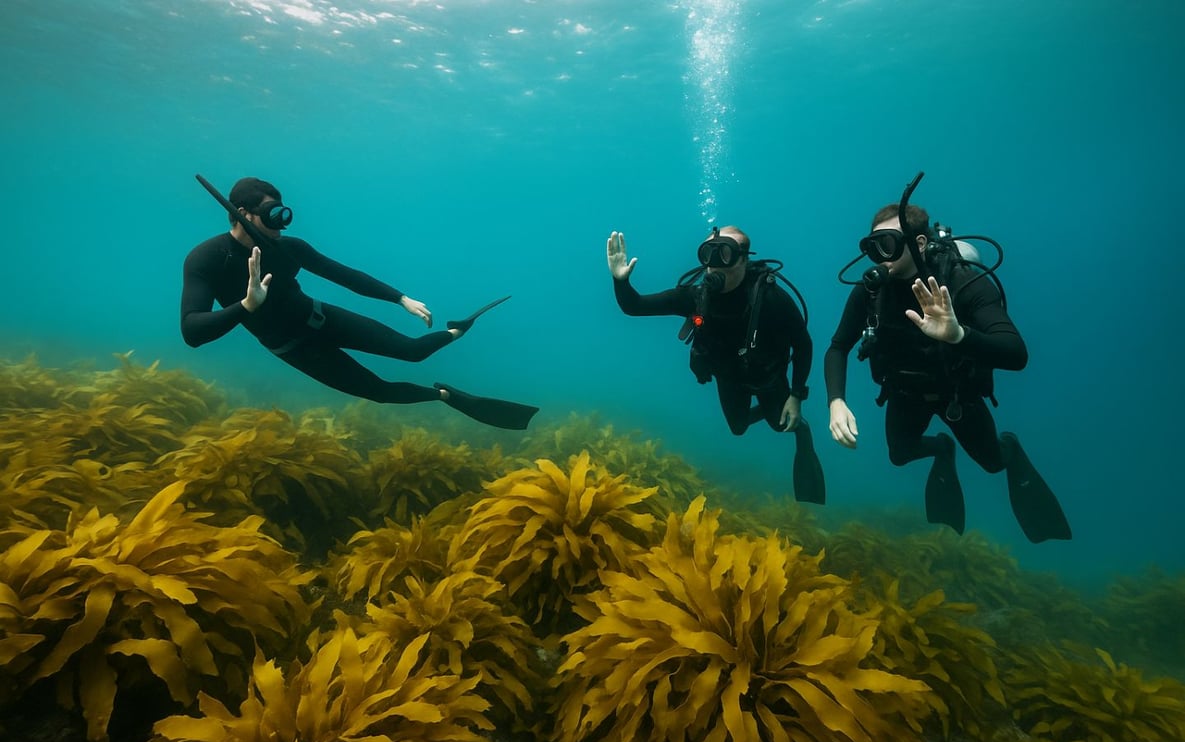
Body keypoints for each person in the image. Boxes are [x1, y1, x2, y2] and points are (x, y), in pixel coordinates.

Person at [181, 176, 537, 429]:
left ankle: (457, 330)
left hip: (322, 318)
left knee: (414, 351)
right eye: (273, 215)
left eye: (283, 214)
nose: (282, 225)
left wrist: (401, 299)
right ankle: (444, 396)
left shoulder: (289, 248)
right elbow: (192, 331)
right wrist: (246, 306)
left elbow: (344, 275)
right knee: (379, 391)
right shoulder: (208, 259)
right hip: (294, 349)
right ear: (242, 213)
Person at [823, 179, 1070, 542]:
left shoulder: (961, 282)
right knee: (899, 455)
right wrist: (836, 401)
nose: (880, 257)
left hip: (958, 396)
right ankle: (942, 448)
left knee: (992, 464)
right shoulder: (869, 292)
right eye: (873, 247)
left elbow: (1017, 354)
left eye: (888, 245)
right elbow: (838, 346)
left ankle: (1010, 446)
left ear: (918, 243)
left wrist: (958, 335)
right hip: (905, 393)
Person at [606, 226, 826, 504]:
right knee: (738, 427)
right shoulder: (695, 297)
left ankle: (801, 428)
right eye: (708, 254)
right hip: (728, 377)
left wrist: (796, 396)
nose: (714, 264)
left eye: (725, 253)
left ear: (744, 259)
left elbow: (803, 344)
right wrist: (620, 280)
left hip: (767, 377)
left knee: (780, 426)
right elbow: (634, 306)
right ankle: (773, 413)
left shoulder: (771, 298)